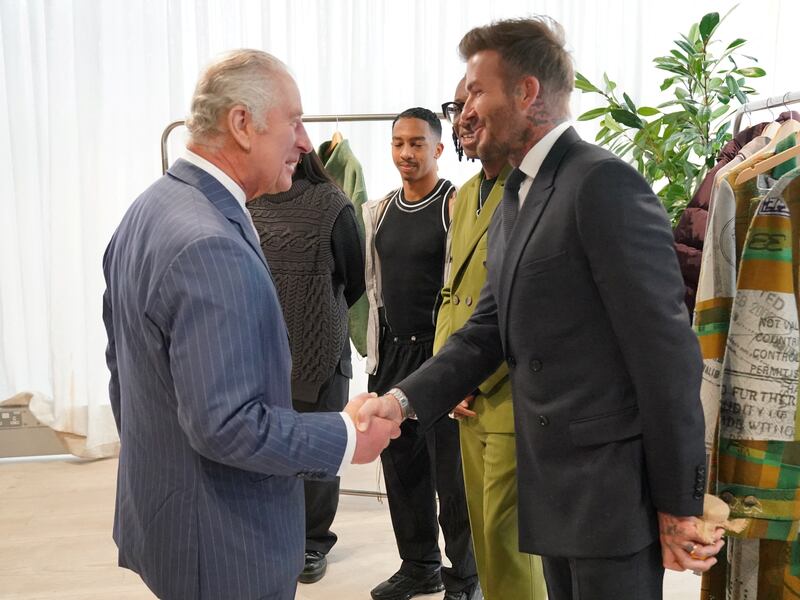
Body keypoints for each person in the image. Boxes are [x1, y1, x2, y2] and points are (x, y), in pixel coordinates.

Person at [358, 18, 724, 600]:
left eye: (477, 92)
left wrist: (680, 503)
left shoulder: (602, 184)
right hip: (552, 488)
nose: (465, 111)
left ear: (528, 94)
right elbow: (485, 333)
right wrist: (400, 402)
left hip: (610, 496)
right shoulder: (514, 193)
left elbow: (666, 354)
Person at [102, 49, 398, 600]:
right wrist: (346, 436)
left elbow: (125, 372)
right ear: (243, 124)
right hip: (222, 545)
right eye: (295, 121)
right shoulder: (210, 243)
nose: (307, 143)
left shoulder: (151, 208)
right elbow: (228, 426)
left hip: (172, 521)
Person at [363, 107, 480, 600]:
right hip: (392, 353)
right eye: (398, 143)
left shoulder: (455, 205)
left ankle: (464, 577)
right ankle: (419, 565)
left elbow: (471, 287)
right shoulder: (380, 210)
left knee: (452, 480)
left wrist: (461, 366)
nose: (406, 153)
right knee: (402, 469)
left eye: (416, 143)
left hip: (439, 359)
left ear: (437, 148)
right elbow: (371, 287)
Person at [438, 78, 546, 600]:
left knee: (512, 549)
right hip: (464, 399)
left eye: (473, 104)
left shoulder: (532, 191)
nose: (463, 117)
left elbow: (531, 306)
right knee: (481, 539)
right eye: (457, 107)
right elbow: (451, 290)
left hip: (506, 395)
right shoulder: (462, 196)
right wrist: (444, 375)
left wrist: (470, 376)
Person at [248, 149, 365, 585]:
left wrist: (311, 313)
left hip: (319, 350)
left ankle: (313, 542)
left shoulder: (332, 205)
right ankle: (274, 533)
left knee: (319, 452)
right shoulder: (250, 201)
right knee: (268, 445)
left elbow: (354, 280)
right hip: (263, 348)